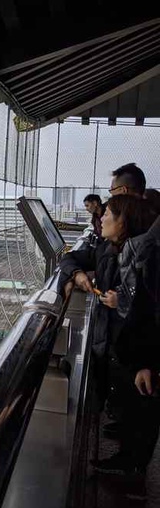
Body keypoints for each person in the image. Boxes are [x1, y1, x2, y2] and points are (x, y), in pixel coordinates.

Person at [60, 195, 158, 490]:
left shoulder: (149, 258)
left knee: (142, 409)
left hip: (137, 348)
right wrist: (75, 274)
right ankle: (127, 460)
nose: (101, 218)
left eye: (109, 214)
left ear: (124, 223)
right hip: (118, 344)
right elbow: (71, 257)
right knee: (129, 405)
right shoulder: (108, 250)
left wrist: (148, 363)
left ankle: (133, 470)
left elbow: (153, 313)